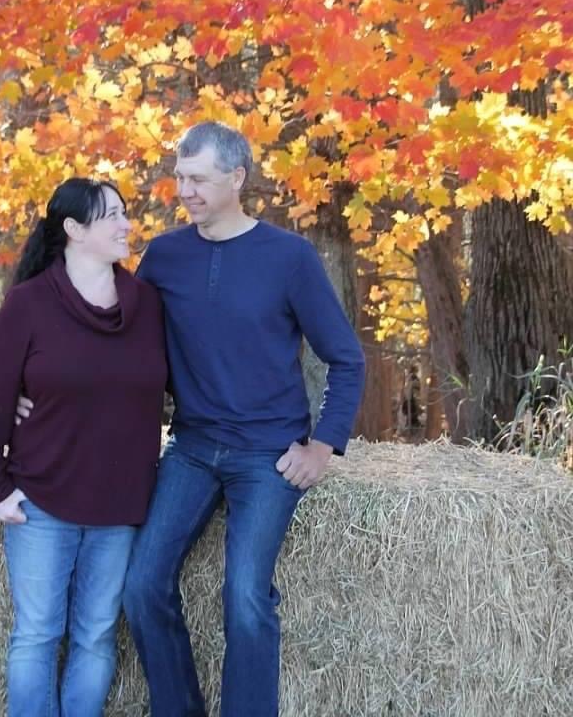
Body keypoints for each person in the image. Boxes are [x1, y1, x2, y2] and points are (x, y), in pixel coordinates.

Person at [19, 122, 366, 716]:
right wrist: (28, 390)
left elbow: (346, 358)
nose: (185, 190)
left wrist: (324, 444)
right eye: (180, 177)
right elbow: (108, 334)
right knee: (141, 585)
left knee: (245, 597)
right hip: (192, 448)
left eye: (199, 179)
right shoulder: (165, 256)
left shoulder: (290, 258)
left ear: (237, 178)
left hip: (268, 453)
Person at [0, 177, 167, 717]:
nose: (126, 224)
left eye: (125, 212)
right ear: (74, 229)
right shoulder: (29, 304)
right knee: (37, 634)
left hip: (121, 506)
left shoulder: (147, 304)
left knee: (96, 636)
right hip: (41, 502)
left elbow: (177, 382)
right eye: (112, 215)